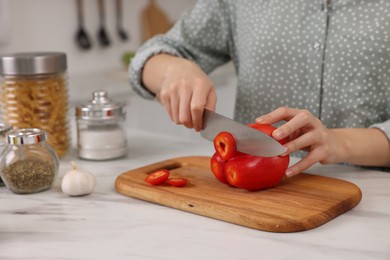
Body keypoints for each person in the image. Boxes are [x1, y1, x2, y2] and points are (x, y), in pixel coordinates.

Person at [130, 0, 390, 177]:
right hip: (250, 199)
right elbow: (150, 57)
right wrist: (173, 70)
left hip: (371, 198)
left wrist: (340, 143)